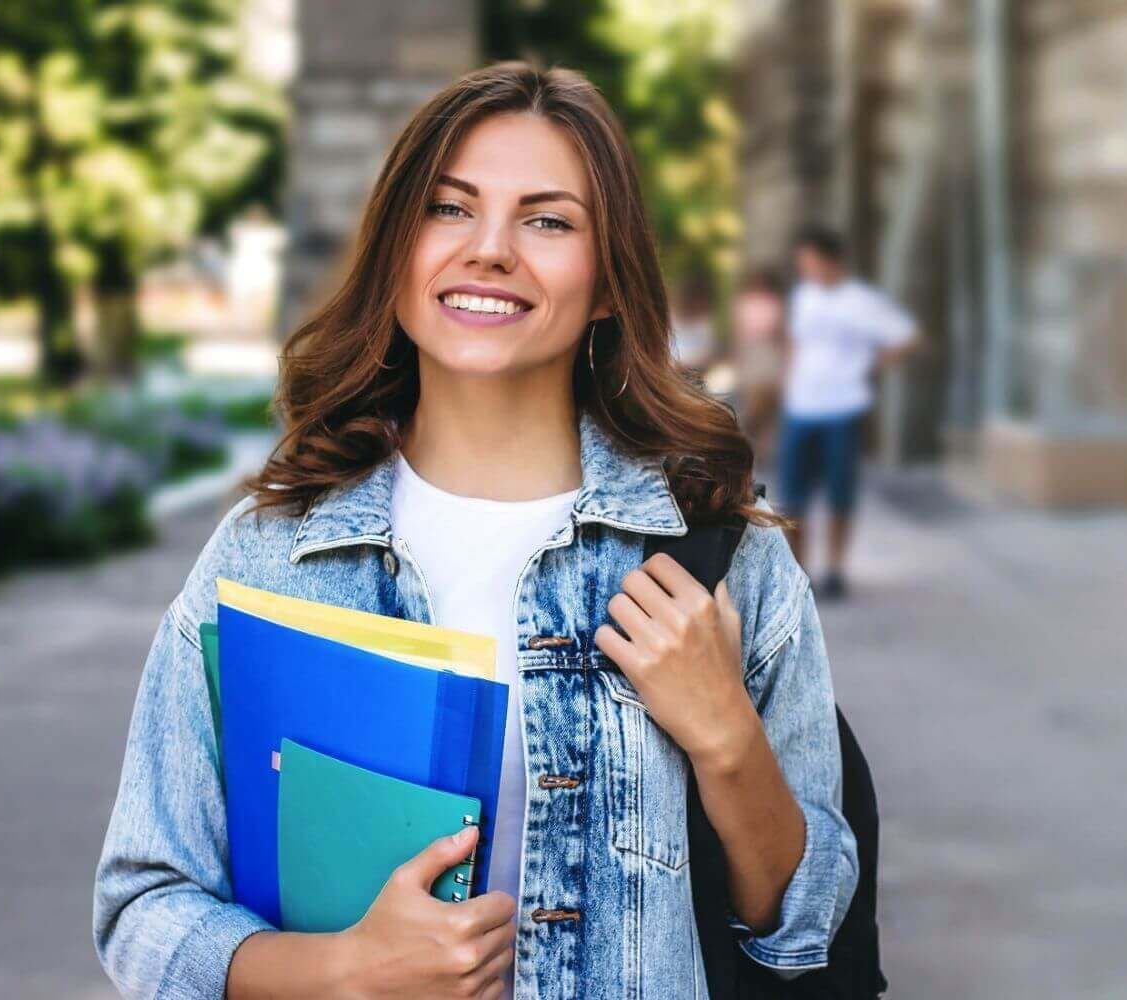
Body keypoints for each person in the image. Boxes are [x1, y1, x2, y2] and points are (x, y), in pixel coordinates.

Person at [92, 63, 857, 1000]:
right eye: (449, 209)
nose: (490, 250)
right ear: (397, 253)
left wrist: (728, 742)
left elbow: (806, 926)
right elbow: (144, 907)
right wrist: (343, 970)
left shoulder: (724, 565)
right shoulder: (271, 555)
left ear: (609, 282)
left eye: (548, 220)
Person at [778, 226, 923, 601]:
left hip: (842, 407)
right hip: (801, 407)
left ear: (830, 260)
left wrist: (869, 367)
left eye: (809, 260)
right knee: (792, 495)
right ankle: (798, 571)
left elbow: (908, 337)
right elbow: (795, 341)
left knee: (839, 494)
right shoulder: (804, 296)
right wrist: (788, 380)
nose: (804, 268)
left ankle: (836, 569)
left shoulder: (861, 300)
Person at [731, 267, 788, 461]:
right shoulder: (743, 304)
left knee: (770, 402)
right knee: (754, 403)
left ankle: (763, 449)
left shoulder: (776, 304)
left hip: (770, 354)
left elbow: (781, 333)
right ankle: (743, 440)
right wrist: (739, 359)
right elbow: (739, 333)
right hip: (752, 354)